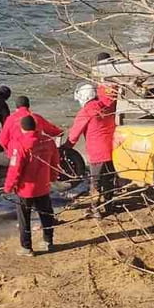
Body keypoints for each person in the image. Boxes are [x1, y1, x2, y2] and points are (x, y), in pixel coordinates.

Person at [4, 115, 59, 255]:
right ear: (36, 126)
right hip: (43, 185)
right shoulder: (48, 141)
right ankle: (48, 241)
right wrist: (52, 177)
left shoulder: (19, 143)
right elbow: (55, 162)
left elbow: (15, 168)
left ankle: (26, 247)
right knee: (46, 214)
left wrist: (9, 186)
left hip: (25, 189)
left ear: (22, 128)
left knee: (24, 218)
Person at [0, 96, 63, 190]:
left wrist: (9, 150)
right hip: (36, 155)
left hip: (18, 154)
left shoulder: (11, 119)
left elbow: (2, 139)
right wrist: (60, 131)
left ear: (16, 107)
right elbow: (53, 131)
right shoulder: (36, 117)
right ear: (28, 106)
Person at [68, 83, 118, 215]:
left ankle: (95, 208)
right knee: (108, 180)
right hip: (113, 150)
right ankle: (109, 206)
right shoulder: (108, 105)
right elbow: (111, 91)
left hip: (97, 153)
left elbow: (74, 136)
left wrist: (64, 149)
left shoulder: (85, 112)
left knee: (95, 183)